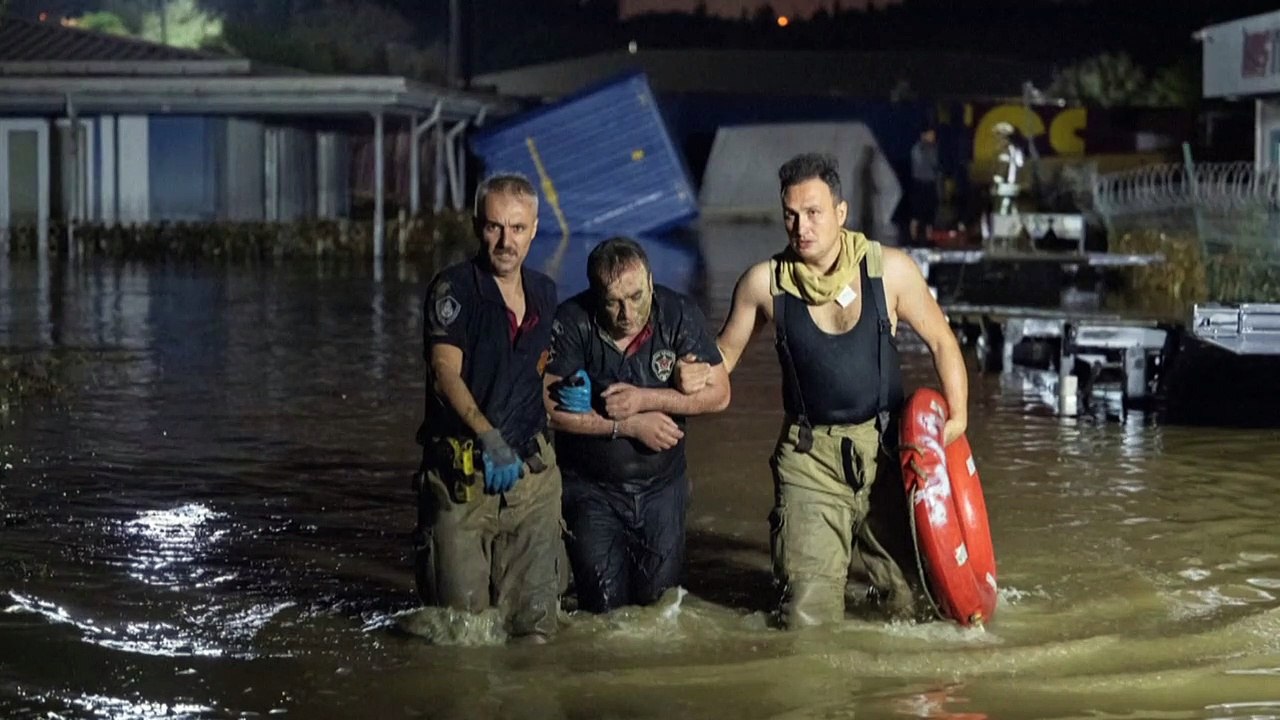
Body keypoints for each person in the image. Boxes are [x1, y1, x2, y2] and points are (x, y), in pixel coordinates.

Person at [678, 153, 968, 628]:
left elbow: (941, 341)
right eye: (790, 215)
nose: (801, 226)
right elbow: (724, 356)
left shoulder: (891, 270)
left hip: (887, 453)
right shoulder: (763, 283)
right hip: (808, 458)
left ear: (841, 211)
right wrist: (692, 375)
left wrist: (957, 419)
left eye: (813, 212)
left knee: (909, 607)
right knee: (806, 617)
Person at [542, 237, 730, 614]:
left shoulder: (678, 314)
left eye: (636, 296)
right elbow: (546, 409)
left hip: (663, 489)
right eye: (613, 302)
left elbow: (721, 395)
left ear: (651, 281)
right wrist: (626, 426)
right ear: (595, 295)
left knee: (660, 609)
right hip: (592, 491)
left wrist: (646, 399)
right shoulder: (572, 320)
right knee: (602, 610)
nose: (627, 313)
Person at [413, 172, 562, 643]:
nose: (505, 241)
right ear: (478, 225)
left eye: (517, 228)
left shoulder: (545, 293)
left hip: (532, 482)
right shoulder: (454, 290)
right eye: (495, 227)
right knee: (463, 635)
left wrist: (573, 389)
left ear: (534, 230)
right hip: (463, 481)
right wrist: (489, 436)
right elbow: (444, 372)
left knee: (536, 630)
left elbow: (540, 373)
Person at [908, 126, 941, 244]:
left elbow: (936, 163)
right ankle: (913, 238)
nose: (933, 137)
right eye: (930, 134)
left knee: (930, 213)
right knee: (917, 213)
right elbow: (920, 165)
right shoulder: (917, 149)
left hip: (930, 184)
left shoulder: (934, 148)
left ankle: (929, 237)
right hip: (920, 184)